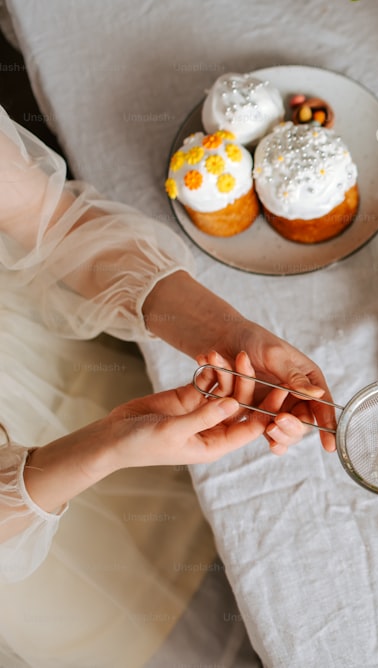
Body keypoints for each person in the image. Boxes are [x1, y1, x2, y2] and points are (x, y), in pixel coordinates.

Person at [0, 103, 335, 666]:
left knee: (241, 554)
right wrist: (106, 444)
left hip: (53, 357)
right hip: (31, 542)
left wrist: (228, 332)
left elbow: (47, 219)